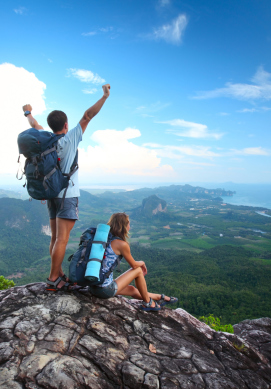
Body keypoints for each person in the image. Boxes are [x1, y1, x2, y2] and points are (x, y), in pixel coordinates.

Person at [22, 84, 111, 291]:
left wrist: (28, 113)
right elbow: (88, 115)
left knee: (55, 238)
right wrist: (104, 96)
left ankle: (58, 272)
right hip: (67, 196)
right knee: (62, 239)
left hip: (51, 194)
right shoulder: (70, 138)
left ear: (50, 125)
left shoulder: (46, 140)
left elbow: (34, 125)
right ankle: (53, 278)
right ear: (66, 124)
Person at [90, 213, 178, 311]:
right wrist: (143, 263)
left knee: (132, 289)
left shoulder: (102, 239)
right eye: (128, 224)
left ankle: (159, 297)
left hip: (93, 286)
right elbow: (134, 265)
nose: (129, 226)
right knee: (138, 270)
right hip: (104, 289)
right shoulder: (121, 244)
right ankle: (148, 303)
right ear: (123, 226)